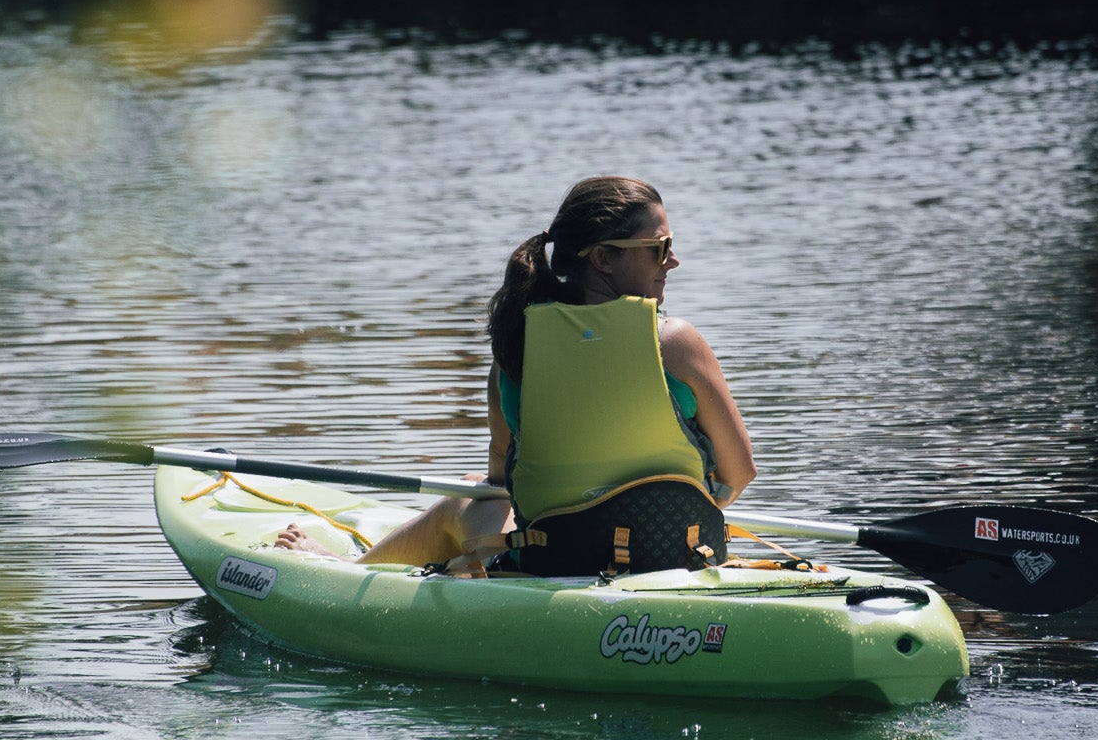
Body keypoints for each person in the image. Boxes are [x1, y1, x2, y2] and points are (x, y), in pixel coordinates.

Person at [276, 176, 754, 574]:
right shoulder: (678, 343)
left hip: (559, 561)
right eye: (659, 247)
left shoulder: (514, 354)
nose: (673, 260)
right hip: (681, 554)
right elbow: (739, 472)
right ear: (603, 258)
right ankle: (354, 566)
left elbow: (508, 483)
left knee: (472, 495)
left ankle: (349, 571)